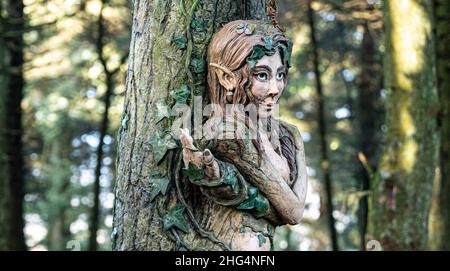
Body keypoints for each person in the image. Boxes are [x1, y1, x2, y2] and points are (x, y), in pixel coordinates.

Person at [178, 20, 307, 251]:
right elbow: (294, 211)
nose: (275, 89)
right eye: (262, 75)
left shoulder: (288, 133)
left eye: (280, 75)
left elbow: (294, 209)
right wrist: (276, 210)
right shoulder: (228, 132)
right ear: (226, 78)